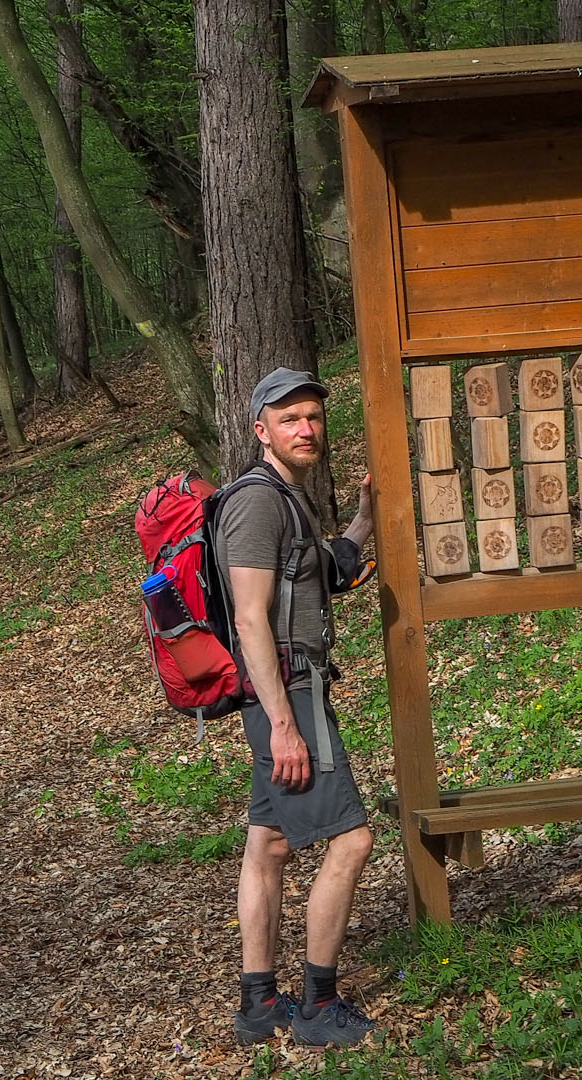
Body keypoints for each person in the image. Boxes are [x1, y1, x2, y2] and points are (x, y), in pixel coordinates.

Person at [216, 366, 378, 1048]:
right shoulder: (257, 504)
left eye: (313, 417)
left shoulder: (288, 499)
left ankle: (259, 1005)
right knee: (351, 839)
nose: (306, 429)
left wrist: (368, 517)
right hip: (290, 698)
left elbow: (328, 567)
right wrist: (283, 724)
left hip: (283, 695)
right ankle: (317, 1005)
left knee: (271, 843)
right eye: (290, 419)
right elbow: (251, 620)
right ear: (262, 431)